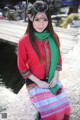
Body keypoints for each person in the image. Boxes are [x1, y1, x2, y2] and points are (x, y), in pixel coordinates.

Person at [17, 1, 71, 120]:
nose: (41, 24)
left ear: (49, 20)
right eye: (37, 19)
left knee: (64, 105)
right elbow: (22, 67)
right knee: (50, 109)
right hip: (34, 81)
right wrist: (39, 82)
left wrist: (56, 76)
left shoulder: (54, 36)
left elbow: (58, 58)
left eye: (45, 19)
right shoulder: (24, 41)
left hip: (51, 77)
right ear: (31, 18)